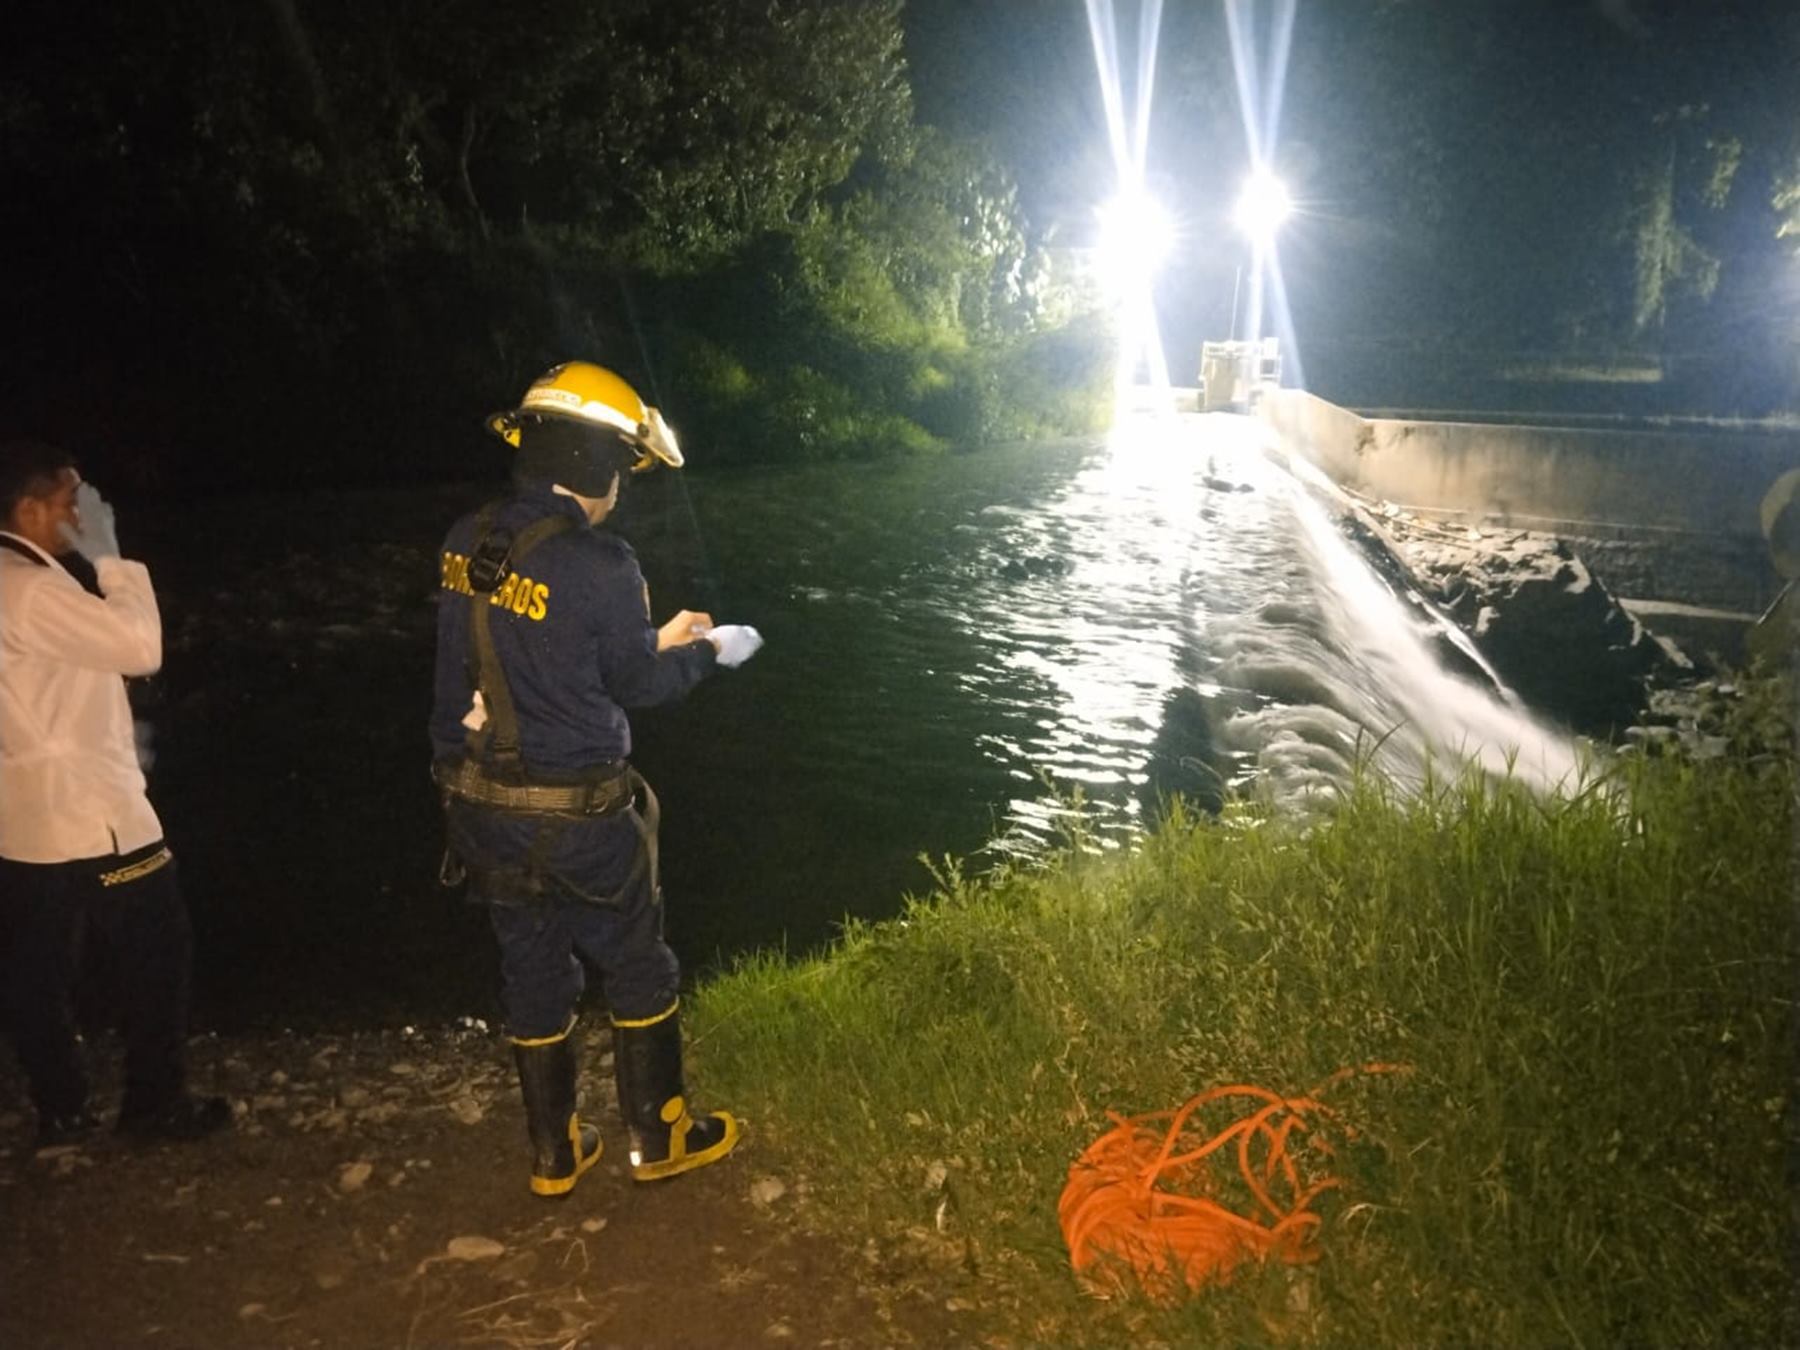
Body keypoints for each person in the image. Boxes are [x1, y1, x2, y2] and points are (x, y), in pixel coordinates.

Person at [430, 362, 763, 1198]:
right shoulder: (603, 561)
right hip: (581, 818)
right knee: (637, 962)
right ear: (593, 462)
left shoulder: (464, 541)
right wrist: (707, 654)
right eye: (623, 464)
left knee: (533, 968)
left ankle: (555, 1152)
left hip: (481, 807)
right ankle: (661, 1137)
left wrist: (653, 638)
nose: (624, 484)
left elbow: (543, 660)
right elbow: (636, 687)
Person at [0, 439, 230, 1146]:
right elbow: (139, 647)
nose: (82, 513)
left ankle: (61, 1104)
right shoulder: (33, 587)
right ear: (31, 508)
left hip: (23, 814)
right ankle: (153, 1105)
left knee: (36, 966)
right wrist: (110, 559)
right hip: (93, 813)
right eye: (72, 502)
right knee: (159, 947)